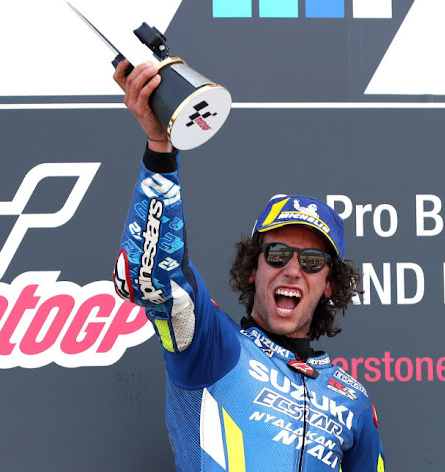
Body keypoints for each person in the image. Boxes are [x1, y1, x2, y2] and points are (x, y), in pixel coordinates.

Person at [111, 60, 385, 471]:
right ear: (252, 268)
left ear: (329, 283)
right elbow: (155, 277)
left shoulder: (352, 399)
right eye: (277, 255)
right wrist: (160, 150)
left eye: (311, 261)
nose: (292, 269)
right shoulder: (213, 346)